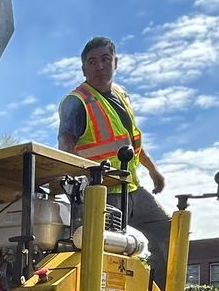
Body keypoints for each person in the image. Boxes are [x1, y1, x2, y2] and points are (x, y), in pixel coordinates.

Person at [57, 36, 170, 274]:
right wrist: (74, 187)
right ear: (83, 68)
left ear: (115, 62)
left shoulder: (121, 95)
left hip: (131, 188)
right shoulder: (76, 102)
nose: (99, 66)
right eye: (92, 61)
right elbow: (65, 148)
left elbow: (130, 141)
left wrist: (152, 169)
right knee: (109, 253)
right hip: (100, 192)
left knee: (169, 231)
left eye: (105, 59)